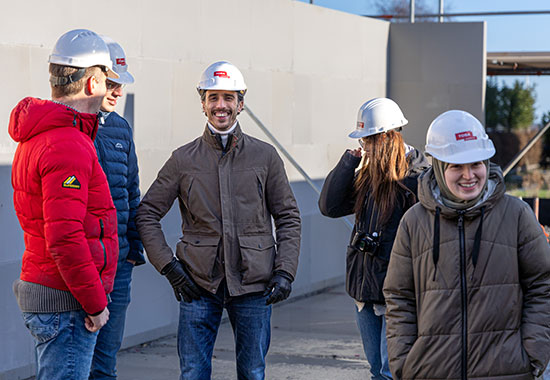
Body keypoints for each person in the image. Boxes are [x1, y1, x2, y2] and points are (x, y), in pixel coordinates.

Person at [136, 60, 301, 380]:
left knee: (253, 372)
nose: (220, 106)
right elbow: (147, 213)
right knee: (193, 372)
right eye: (213, 98)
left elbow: (288, 216)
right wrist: (169, 268)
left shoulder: (265, 156)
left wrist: (285, 271)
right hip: (198, 284)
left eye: (228, 98)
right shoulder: (183, 159)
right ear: (202, 104)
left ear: (241, 103)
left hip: (255, 285)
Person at [383, 110, 550, 380]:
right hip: (431, 372)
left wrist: (532, 355)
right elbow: (399, 297)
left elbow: (543, 285)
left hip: (507, 371)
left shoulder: (516, 215)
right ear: (438, 167)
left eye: (476, 164)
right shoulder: (414, 222)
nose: (469, 175)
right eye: (456, 166)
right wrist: (406, 363)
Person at [9, 29, 120, 380]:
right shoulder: (67, 144)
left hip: (54, 293)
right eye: (107, 79)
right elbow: (65, 237)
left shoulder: (44, 135)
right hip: (66, 302)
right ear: (91, 84)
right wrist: (95, 304)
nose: (112, 89)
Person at [318, 98, 428, 380]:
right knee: (377, 372)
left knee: (390, 372)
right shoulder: (369, 176)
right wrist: (349, 161)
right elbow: (328, 206)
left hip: (398, 296)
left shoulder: (417, 179)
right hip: (366, 292)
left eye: (369, 140)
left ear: (388, 138)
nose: (365, 146)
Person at [90, 36, 144, 380]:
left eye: (120, 84)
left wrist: (133, 250)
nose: (117, 92)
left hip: (119, 266)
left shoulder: (122, 128)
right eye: (111, 83)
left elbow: (132, 192)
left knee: (106, 363)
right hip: (84, 264)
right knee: (74, 360)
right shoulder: (70, 128)